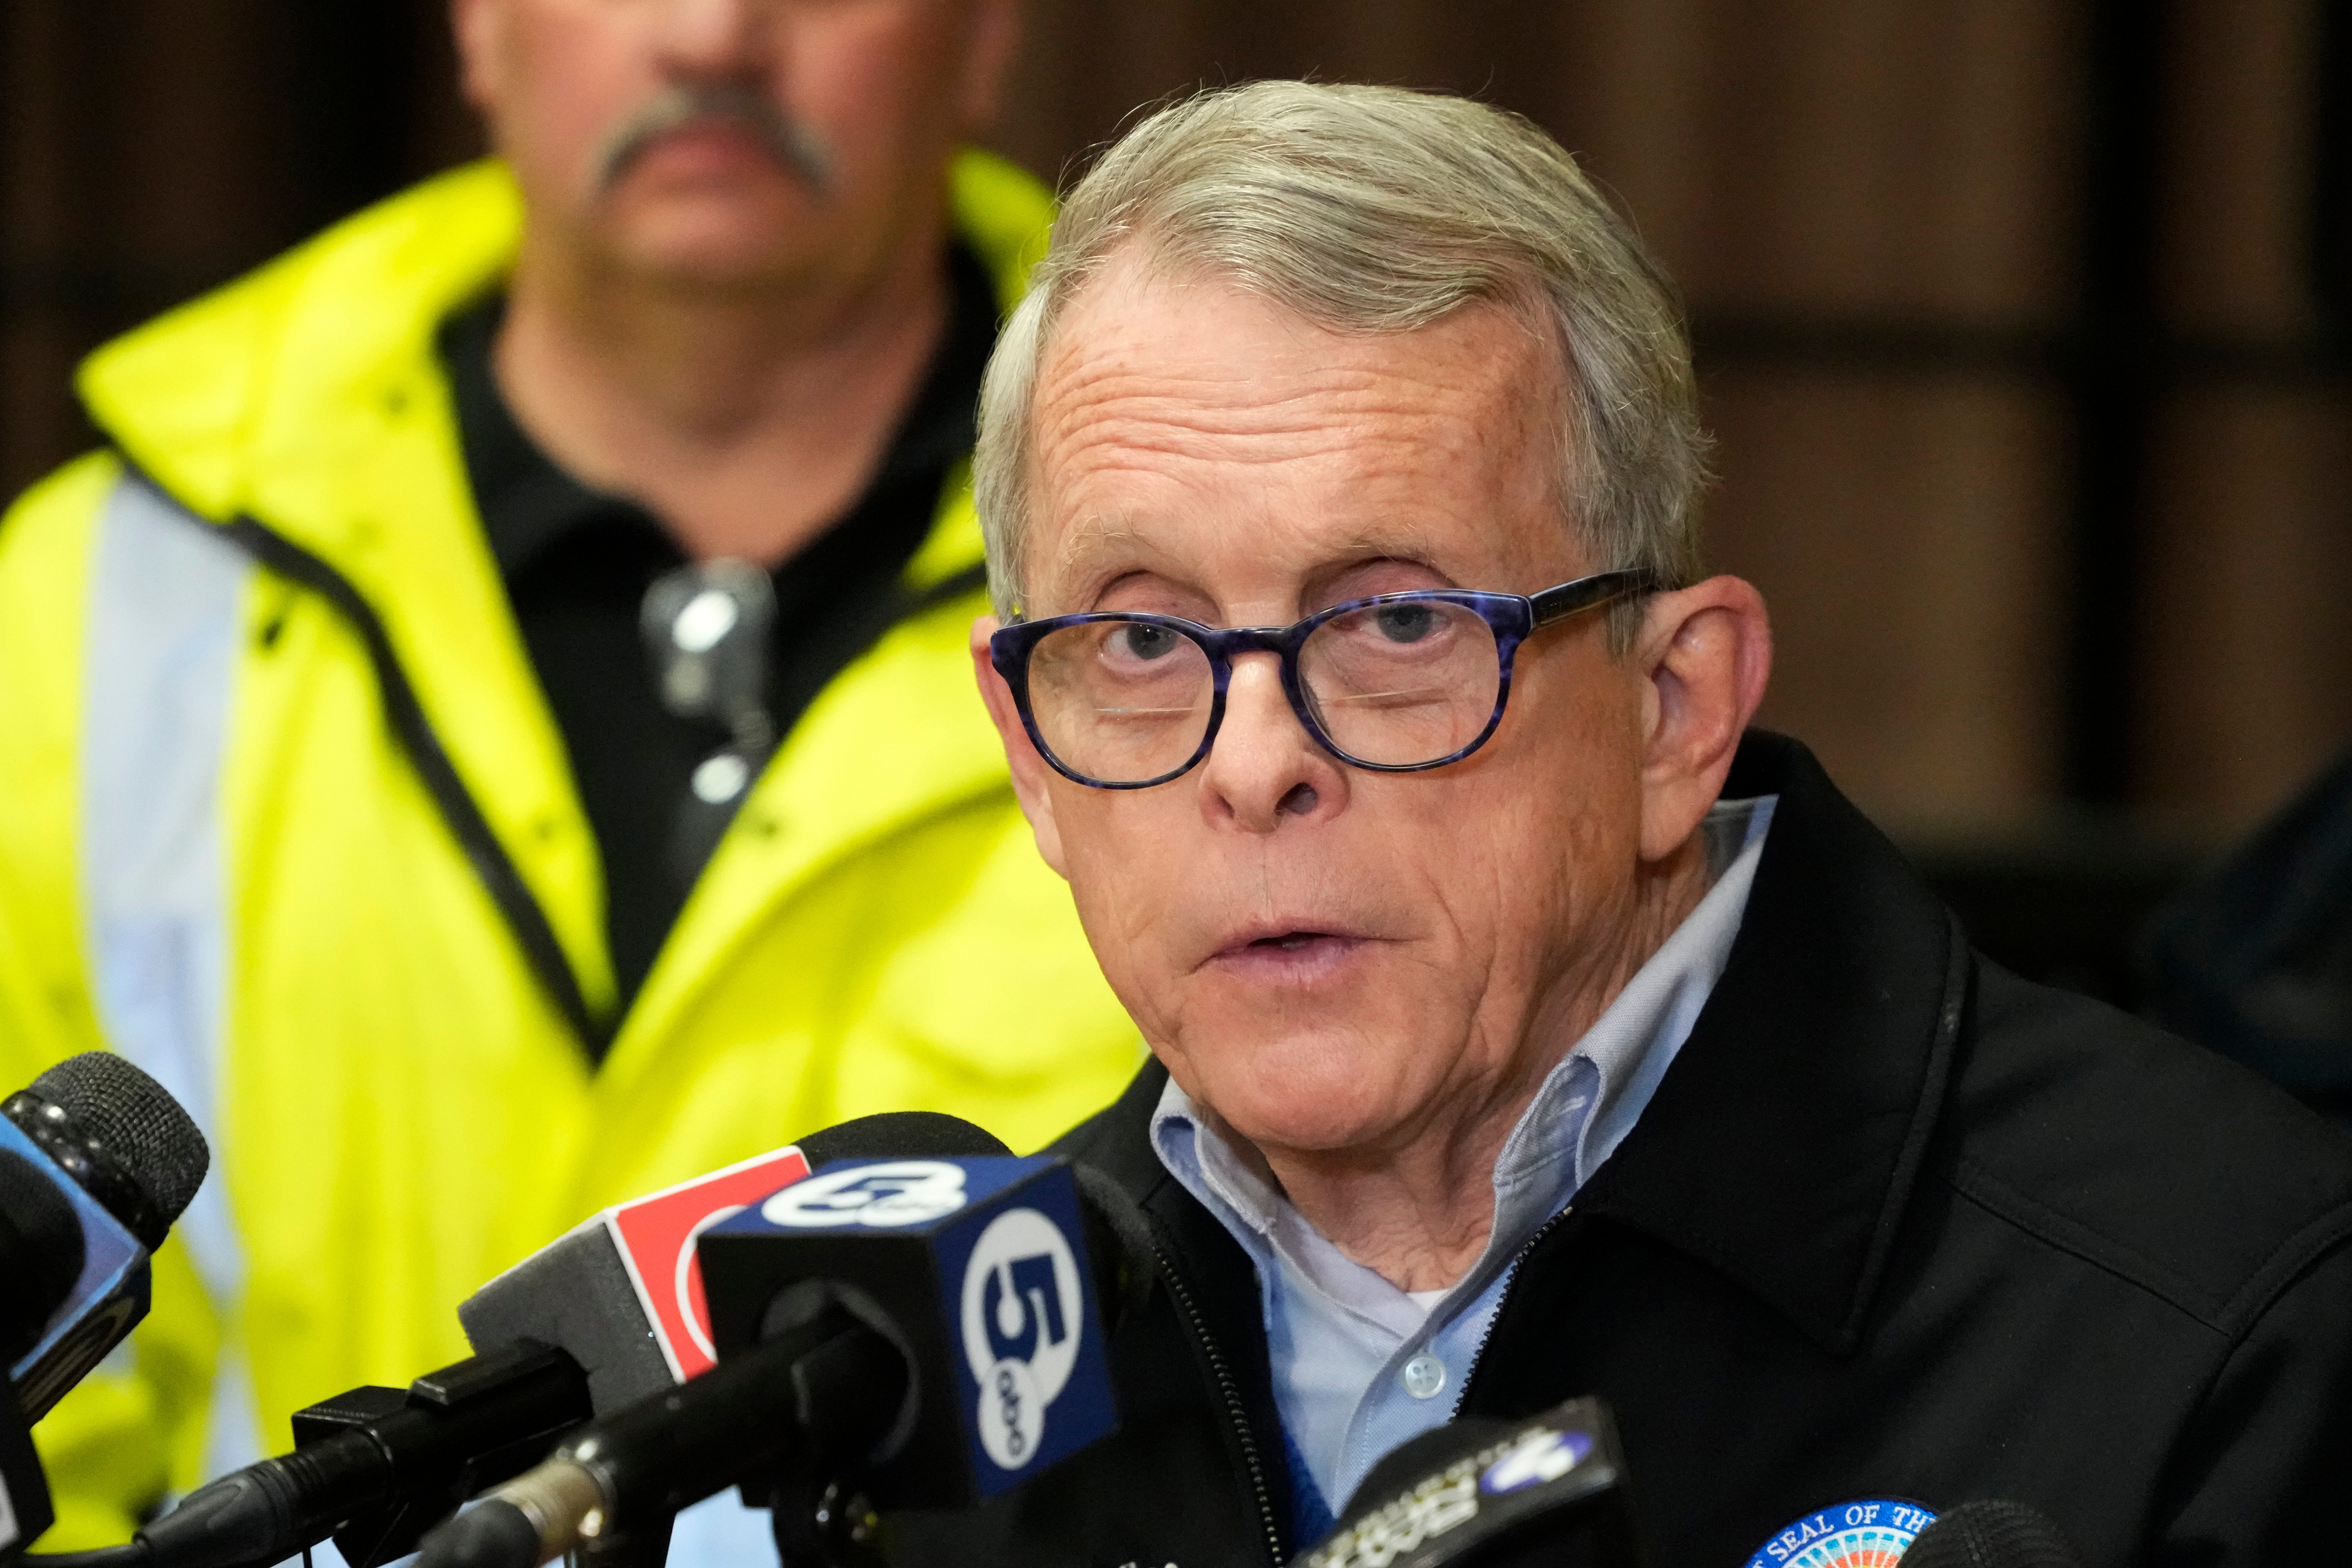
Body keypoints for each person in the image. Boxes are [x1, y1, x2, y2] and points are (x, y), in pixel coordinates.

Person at [903, 81, 2352, 1567]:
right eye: (1142, 645)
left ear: (1674, 707)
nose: (1256, 760)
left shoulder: (2237, 1317)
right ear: (1029, 754)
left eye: (1398, 621)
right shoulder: (917, 1418)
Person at [0, 0, 1142, 1550]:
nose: (717, 34)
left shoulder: (1233, 602)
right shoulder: (80, 607)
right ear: (473, 26)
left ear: (994, 34)